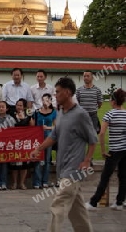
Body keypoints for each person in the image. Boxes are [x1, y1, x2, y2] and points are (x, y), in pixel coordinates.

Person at [30, 77, 97, 232]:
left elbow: (93, 140)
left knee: (58, 204)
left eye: (58, 92)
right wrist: (38, 149)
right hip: (63, 167)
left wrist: (87, 160)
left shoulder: (81, 114)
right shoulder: (60, 113)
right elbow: (53, 136)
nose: (55, 96)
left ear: (67, 93)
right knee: (77, 212)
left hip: (73, 170)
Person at [85, 88, 126, 211]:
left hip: (114, 150)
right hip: (125, 149)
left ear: (113, 101)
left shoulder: (110, 114)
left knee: (105, 176)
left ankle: (94, 202)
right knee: (123, 176)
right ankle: (119, 202)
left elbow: (102, 133)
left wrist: (103, 150)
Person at [32, 93, 57, 189]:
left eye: (47, 100)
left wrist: (48, 127)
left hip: (49, 137)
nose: (45, 102)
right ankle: (37, 182)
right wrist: (39, 128)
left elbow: (56, 126)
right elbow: (33, 126)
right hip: (38, 138)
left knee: (47, 159)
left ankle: (45, 181)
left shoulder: (54, 112)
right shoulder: (37, 112)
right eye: (43, 100)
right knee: (38, 159)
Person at [10, 98, 34, 190]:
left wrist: (28, 117)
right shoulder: (12, 115)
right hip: (14, 142)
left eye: (20, 105)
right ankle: (14, 183)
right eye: (17, 105)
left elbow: (32, 127)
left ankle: (22, 183)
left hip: (25, 142)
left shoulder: (28, 115)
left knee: (24, 163)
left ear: (24, 107)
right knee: (14, 163)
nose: (18, 107)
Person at [0, 101, 16, 190]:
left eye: (3, 107)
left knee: (5, 164)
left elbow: (12, 130)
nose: (1, 108)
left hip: (6, 144)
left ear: (7, 108)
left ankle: (4, 183)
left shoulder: (10, 118)